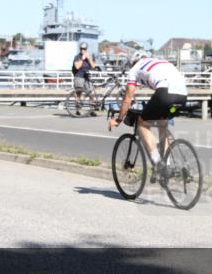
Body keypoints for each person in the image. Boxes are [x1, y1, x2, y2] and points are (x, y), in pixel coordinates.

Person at [108, 50, 188, 181]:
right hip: (183, 95)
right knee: (162, 123)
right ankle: (166, 166)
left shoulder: (134, 69)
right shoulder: (159, 62)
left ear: (132, 62)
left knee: (141, 124)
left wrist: (118, 119)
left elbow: (127, 98)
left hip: (166, 93)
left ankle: (157, 164)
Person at [71, 42, 98, 116]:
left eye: (84, 49)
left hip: (86, 77)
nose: (83, 50)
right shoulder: (77, 57)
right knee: (78, 94)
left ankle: (92, 110)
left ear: (86, 49)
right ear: (80, 49)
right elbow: (77, 67)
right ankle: (77, 110)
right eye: (82, 49)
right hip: (79, 77)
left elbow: (93, 66)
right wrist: (82, 58)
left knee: (91, 93)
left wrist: (88, 58)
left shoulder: (88, 57)